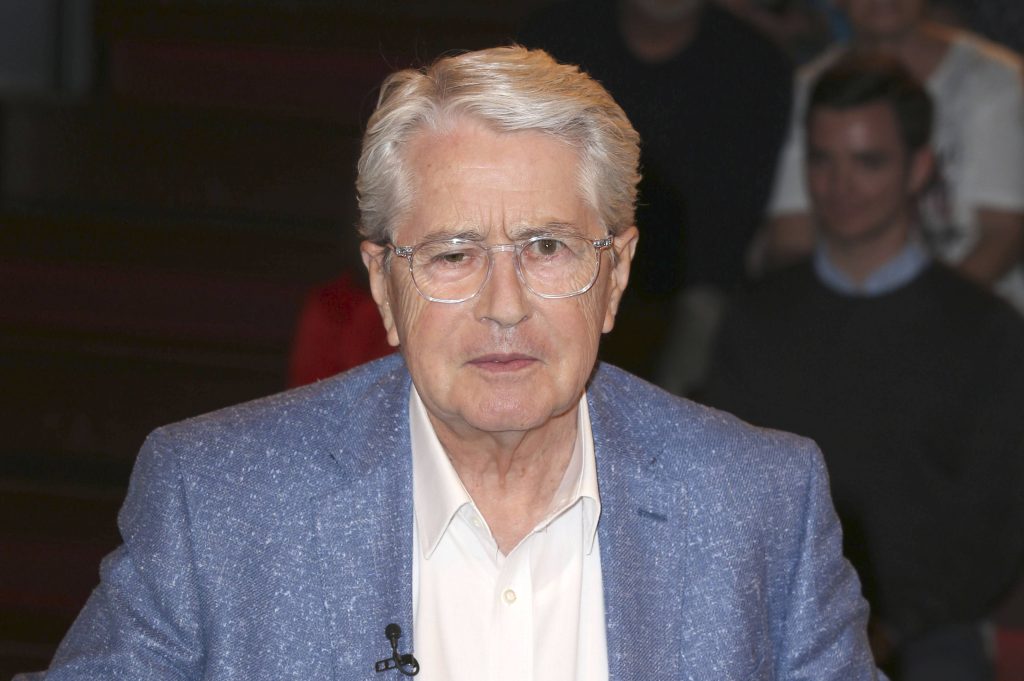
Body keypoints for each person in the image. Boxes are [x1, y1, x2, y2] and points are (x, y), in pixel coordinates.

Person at [18, 46, 881, 680]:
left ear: (615, 277)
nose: (504, 305)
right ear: (384, 287)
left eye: (547, 248)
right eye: (453, 254)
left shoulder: (761, 504)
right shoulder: (217, 500)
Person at [706, 54, 1024, 680]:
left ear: (920, 169)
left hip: (928, 632)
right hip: (775, 622)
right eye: (822, 160)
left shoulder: (985, 332)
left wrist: (888, 628)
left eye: (868, 161)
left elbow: (997, 523)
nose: (840, 185)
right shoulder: (758, 319)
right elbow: (724, 493)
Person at [521, 0, 792, 390]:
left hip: (703, 291)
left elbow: (738, 220)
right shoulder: (553, 40)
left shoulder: (753, 62)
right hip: (558, 267)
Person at [760, 0, 1024, 314]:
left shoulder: (992, 80)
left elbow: (1004, 233)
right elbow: (792, 238)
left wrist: (916, 319)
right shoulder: (810, 88)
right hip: (843, 315)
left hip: (972, 314)